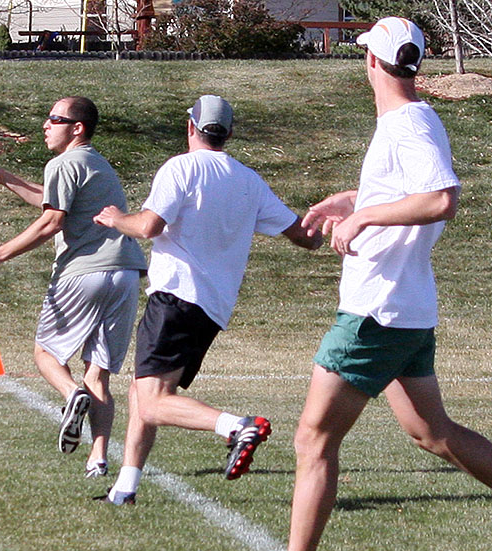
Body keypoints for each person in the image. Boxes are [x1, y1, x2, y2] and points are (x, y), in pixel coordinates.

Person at [217, 17, 492, 551]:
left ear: (372, 64)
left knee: (313, 438)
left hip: (375, 310)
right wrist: (351, 201)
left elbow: (441, 197)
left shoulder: (408, 122)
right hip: (404, 308)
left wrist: (361, 221)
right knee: (431, 433)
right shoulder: (408, 122)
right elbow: (410, 191)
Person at [93, 95, 323, 505]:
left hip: (175, 298)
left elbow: (147, 226)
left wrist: (115, 220)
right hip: (212, 309)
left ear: (191, 128)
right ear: (229, 133)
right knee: (142, 393)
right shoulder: (249, 180)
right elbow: (307, 238)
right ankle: (125, 488)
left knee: (152, 402)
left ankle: (236, 426)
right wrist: (336, 220)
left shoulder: (181, 167)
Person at [0, 96, 147, 479]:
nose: (46, 125)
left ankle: (70, 395)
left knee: (46, 353)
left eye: (54, 119)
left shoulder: (63, 163)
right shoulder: (95, 163)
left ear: (77, 128)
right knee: (98, 374)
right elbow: (53, 202)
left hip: (83, 273)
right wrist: (7, 179)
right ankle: (98, 458)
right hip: (126, 273)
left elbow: (52, 221)